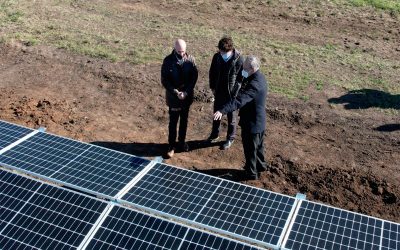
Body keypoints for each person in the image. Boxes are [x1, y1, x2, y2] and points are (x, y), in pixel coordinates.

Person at [213, 56, 268, 180]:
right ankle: (261, 165)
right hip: (259, 120)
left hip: (252, 123)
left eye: (244, 68)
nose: (242, 70)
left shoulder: (254, 85)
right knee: (258, 147)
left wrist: (222, 110)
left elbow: (239, 101)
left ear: (252, 68)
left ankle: (251, 172)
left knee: (250, 150)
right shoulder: (260, 77)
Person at [161, 39, 198, 158]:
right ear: (174, 49)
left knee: (184, 121)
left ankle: (181, 142)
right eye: (179, 51)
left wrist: (186, 92)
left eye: (183, 51)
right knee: (173, 123)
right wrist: (176, 92)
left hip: (186, 97)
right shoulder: (168, 61)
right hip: (174, 98)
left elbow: (194, 78)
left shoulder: (191, 60)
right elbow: (165, 80)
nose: (182, 53)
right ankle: (171, 146)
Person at [208, 36, 244, 150]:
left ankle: (230, 138)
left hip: (232, 94)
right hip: (219, 91)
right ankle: (214, 134)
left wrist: (235, 93)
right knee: (216, 115)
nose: (220, 53)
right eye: (220, 51)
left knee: (231, 118)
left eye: (223, 51)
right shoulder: (217, 57)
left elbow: (240, 79)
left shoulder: (239, 59)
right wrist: (212, 87)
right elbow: (212, 72)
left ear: (230, 50)